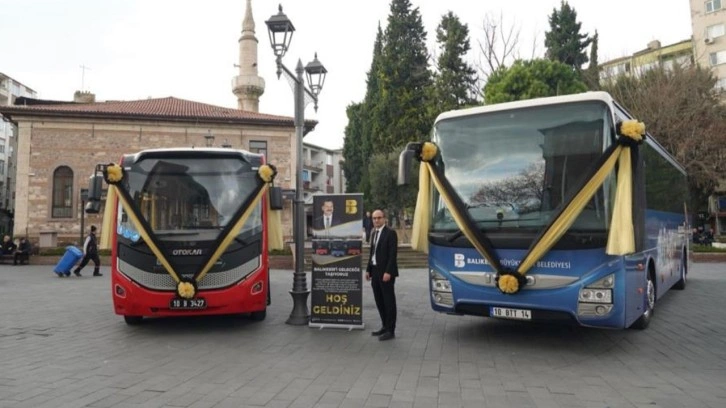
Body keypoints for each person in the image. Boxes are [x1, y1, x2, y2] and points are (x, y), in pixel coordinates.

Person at [365, 209, 399, 341]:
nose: (376, 220)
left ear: (384, 218)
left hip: (386, 273)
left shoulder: (390, 233)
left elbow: (392, 255)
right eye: (374, 218)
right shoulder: (373, 233)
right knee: (379, 300)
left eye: (379, 218)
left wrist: (388, 272)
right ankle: (384, 326)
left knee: (389, 301)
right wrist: (368, 270)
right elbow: (372, 253)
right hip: (375, 271)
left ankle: (391, 330)